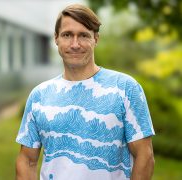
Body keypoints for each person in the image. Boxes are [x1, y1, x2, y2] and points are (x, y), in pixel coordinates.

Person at [15, 4, 155, 180]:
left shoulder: (125, 88)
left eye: (83, 35)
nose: (75, 44)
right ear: (56, 38)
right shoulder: (39, 95)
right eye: (67, 35)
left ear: (96, 38)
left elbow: (145, 155)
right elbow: (27, 160)